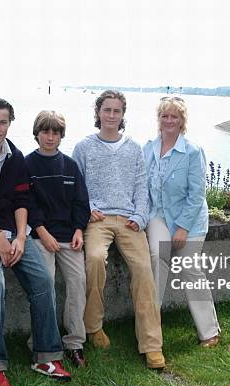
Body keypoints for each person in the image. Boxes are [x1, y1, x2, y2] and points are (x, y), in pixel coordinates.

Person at [0, 97, 71, 386]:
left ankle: (46, 356)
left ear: (11, 123)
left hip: (15, 233)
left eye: (3, 122)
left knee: (42, 280)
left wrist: (22, 237)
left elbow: (22, 200)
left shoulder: (16, 157)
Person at [72, 90, 166, 369]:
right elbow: (75, 185)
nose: (111, 115)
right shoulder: (83, 147)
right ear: (98, 113)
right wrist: (88, 208)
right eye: (107, 110)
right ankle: (93, 326)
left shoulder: (133, 148)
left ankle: (151, 345)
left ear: (123, 115)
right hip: (97, 220)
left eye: (116, 111)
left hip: (129, 221)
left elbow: (141, 187)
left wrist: (139, 216)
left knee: (143, 271)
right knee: (95, 259)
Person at [143, 96, 220, 349]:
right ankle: (150, 327)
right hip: (158, 215)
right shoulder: (149, 148)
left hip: (190, 221)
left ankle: (209, 331)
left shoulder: (192, 151)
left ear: (181, 121)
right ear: (159, 119)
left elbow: (197, 195)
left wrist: (183, 229)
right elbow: (142, 187)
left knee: (189, 268)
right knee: (156, 256)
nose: (169, 120)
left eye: (174, 116)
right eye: (165, 116)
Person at [25, 110, 91, 368]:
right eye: (45, 131)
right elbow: (26, 204)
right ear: (37, 133)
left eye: (55, 132)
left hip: (69, 236)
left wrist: (78, 230)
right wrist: (42, 232)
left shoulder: (70, 165)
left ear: (61, 136)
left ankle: (74, 343)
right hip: (41, 236)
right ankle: (41, 342)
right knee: (46, 284)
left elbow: (80, 202)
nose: (50, 137)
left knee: (77, 282)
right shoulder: (26, 165)